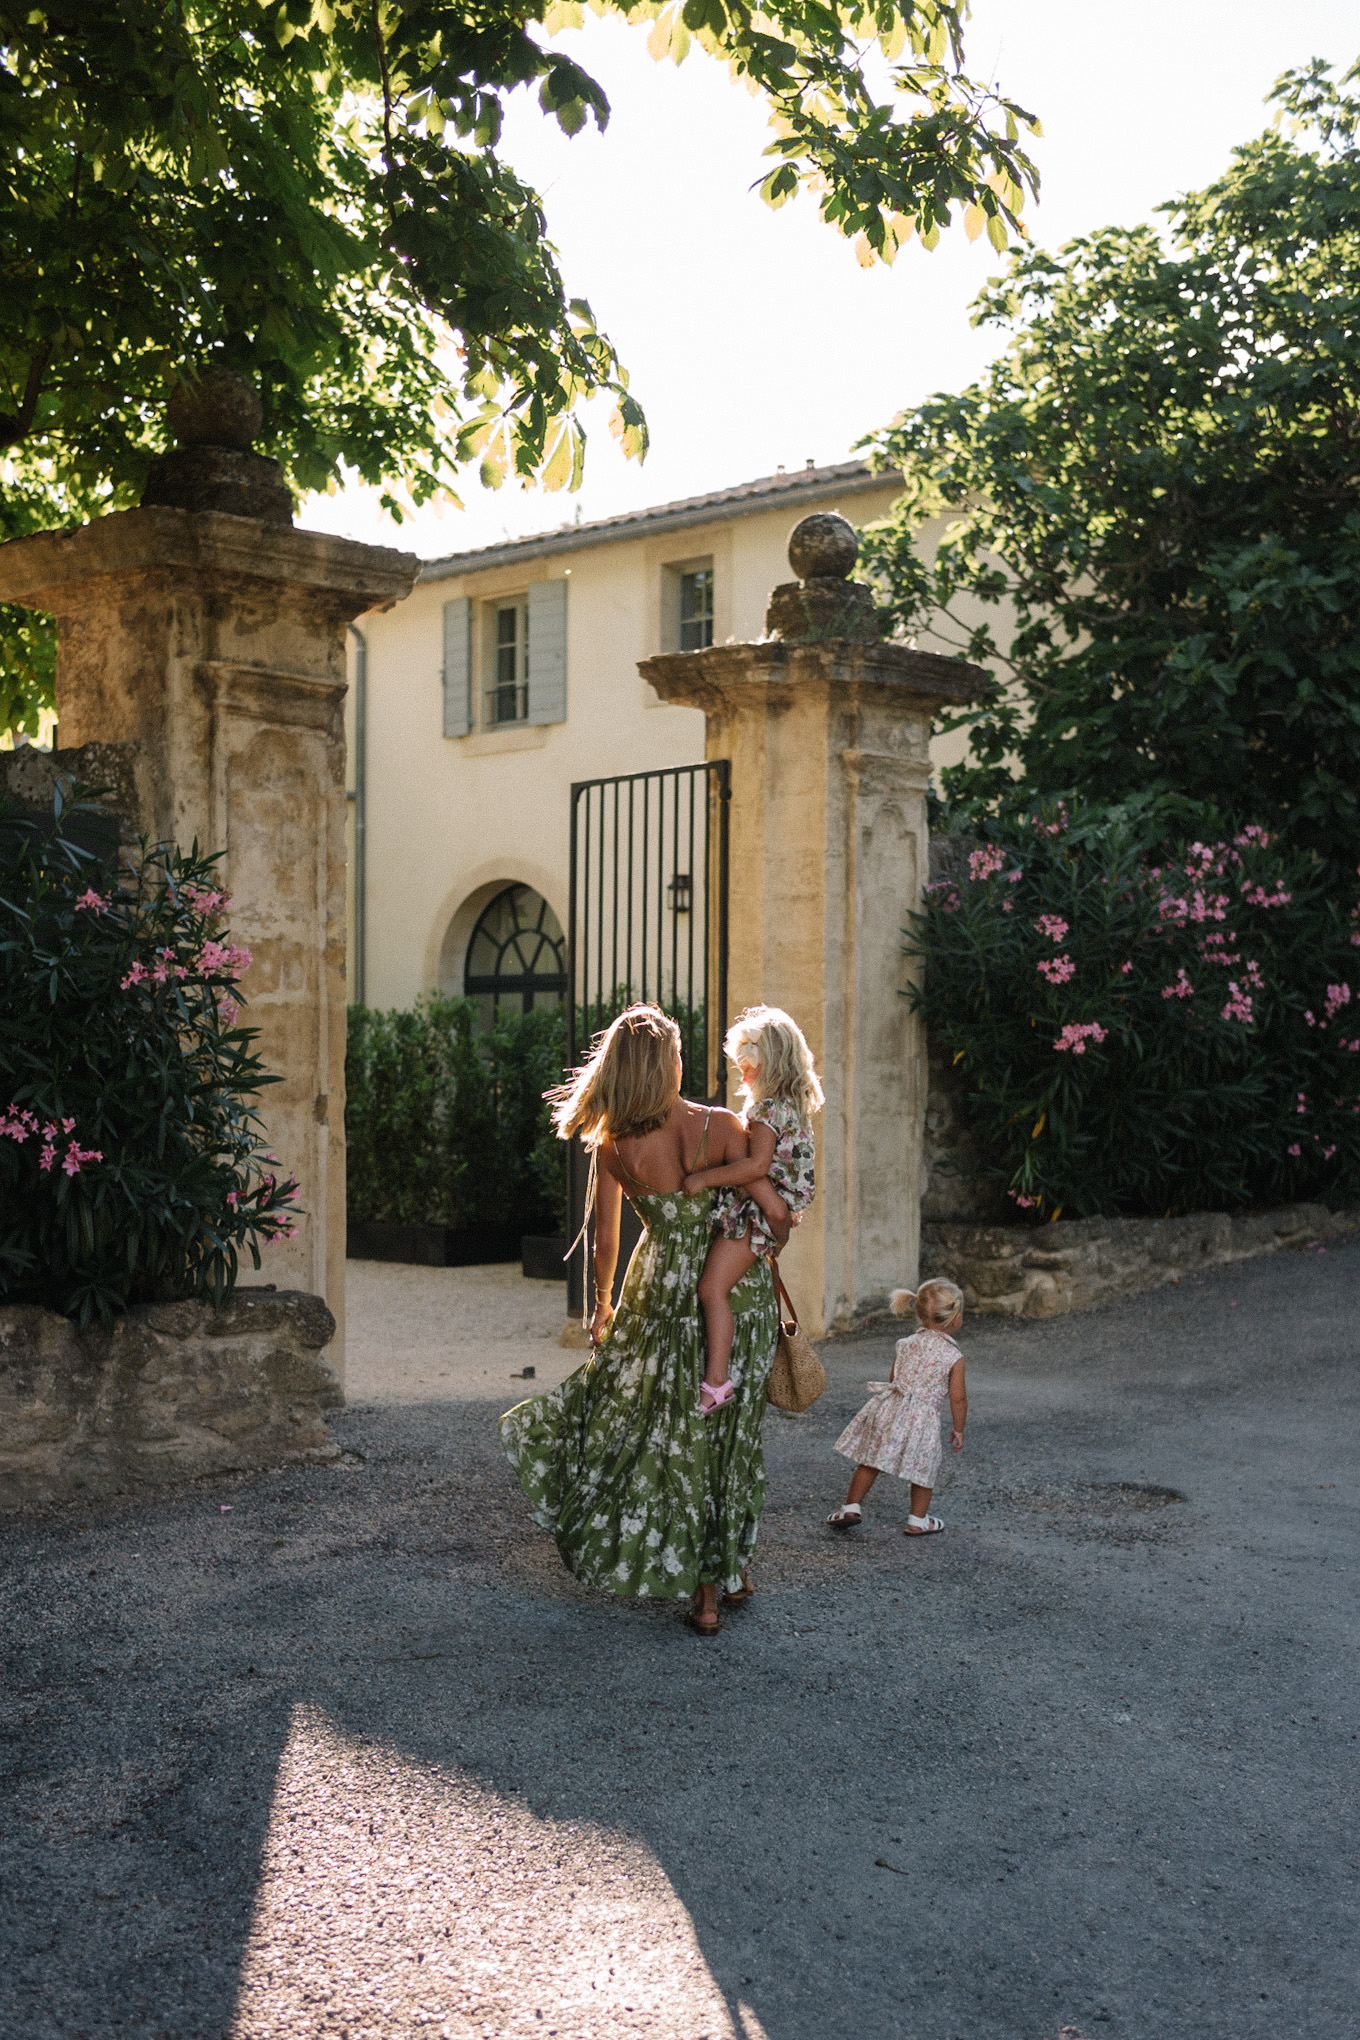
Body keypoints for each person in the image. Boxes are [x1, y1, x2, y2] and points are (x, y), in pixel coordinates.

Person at [500, 1003, 786, 1635]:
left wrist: (601, 1303)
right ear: (669, 1063)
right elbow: (769, 1211)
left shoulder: (614, 1147)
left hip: (659, 1292)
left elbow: (605, 1244)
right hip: (734, 1295)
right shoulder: (724, 1127)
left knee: (672, 1433)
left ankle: (702, 1588)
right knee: (731, 1433)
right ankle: (724, 1578)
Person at [680, 1006, 821, 1415]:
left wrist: (704, 1179)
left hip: (757, 1213)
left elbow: (756, 1167)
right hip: (768, 1210)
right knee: (719, 1289)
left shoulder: (768, 1110)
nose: (739, 1071)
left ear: (767, 1064)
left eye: (745, 1064)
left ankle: (718, 1381)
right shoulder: (792, 1107)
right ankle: (720, 1377)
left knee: (711, 1289)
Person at [826, 1279, 967, 1534]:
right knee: (924, 1469)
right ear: (954, 1319)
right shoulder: (953, 1356)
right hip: (923, 1419)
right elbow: (958, 1398)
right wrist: (958, 1429)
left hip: (891, 1408)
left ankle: (851, 1507)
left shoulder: (905, 1344)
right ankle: (917, 1521)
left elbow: (894, 1378)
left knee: (871, 1460)